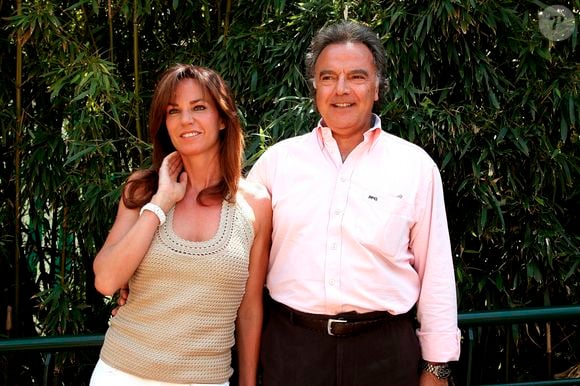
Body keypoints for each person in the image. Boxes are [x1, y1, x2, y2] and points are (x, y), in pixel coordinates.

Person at [247, 20, 460, 386]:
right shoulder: (276, 164)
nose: (341, 89)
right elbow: (233, 255)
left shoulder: (415, 167)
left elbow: (436, 275)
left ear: (377, 87)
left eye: (357, 77)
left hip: (386, 354)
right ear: (315, 86)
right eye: (328, 77)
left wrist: (437, 369)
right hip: (292, 352)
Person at [90, 64, 271, 386]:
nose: (186, 120)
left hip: (207, 379)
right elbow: (106, 281)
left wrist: (247, 382)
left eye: (199, 107)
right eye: (174, 111)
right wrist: (160, 203)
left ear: (222, 120)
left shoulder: (255, 203)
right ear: (165, 124)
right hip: (122, 373)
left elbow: (249, 308)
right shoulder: (142, 190)